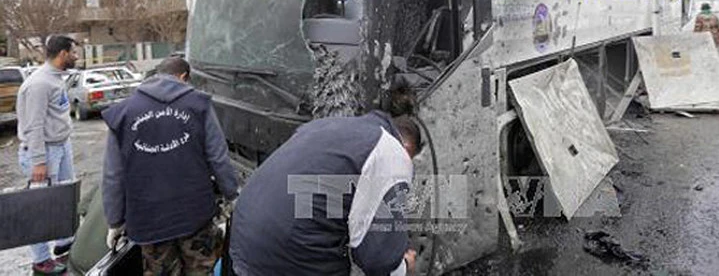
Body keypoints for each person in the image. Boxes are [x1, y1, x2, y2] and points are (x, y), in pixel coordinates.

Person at [230, 99, 423, 275]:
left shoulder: (325, 125)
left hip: (243, 237)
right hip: (290, 252)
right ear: (407, 148)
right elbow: (377, 259)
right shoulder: (394, 153)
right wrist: (405, 267)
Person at [102, 57, 239, 275]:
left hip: (149, 221)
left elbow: (113, 175)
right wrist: (232, 194)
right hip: (195, 215)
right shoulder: (198, 104)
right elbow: (218, 157)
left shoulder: (123, 114)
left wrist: (115, 220)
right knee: (203, 270)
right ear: (184, 77)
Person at [16, 35, 79, 275]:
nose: (76, 56)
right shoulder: (39, 84)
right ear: (63, 54)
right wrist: (39, 161)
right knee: (40, 207)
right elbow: (34, 126)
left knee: (64, 200)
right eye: (73, 52)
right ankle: (40, 260)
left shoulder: (55, 79)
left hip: (61, 146)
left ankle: (63, 244)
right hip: (44, 152)